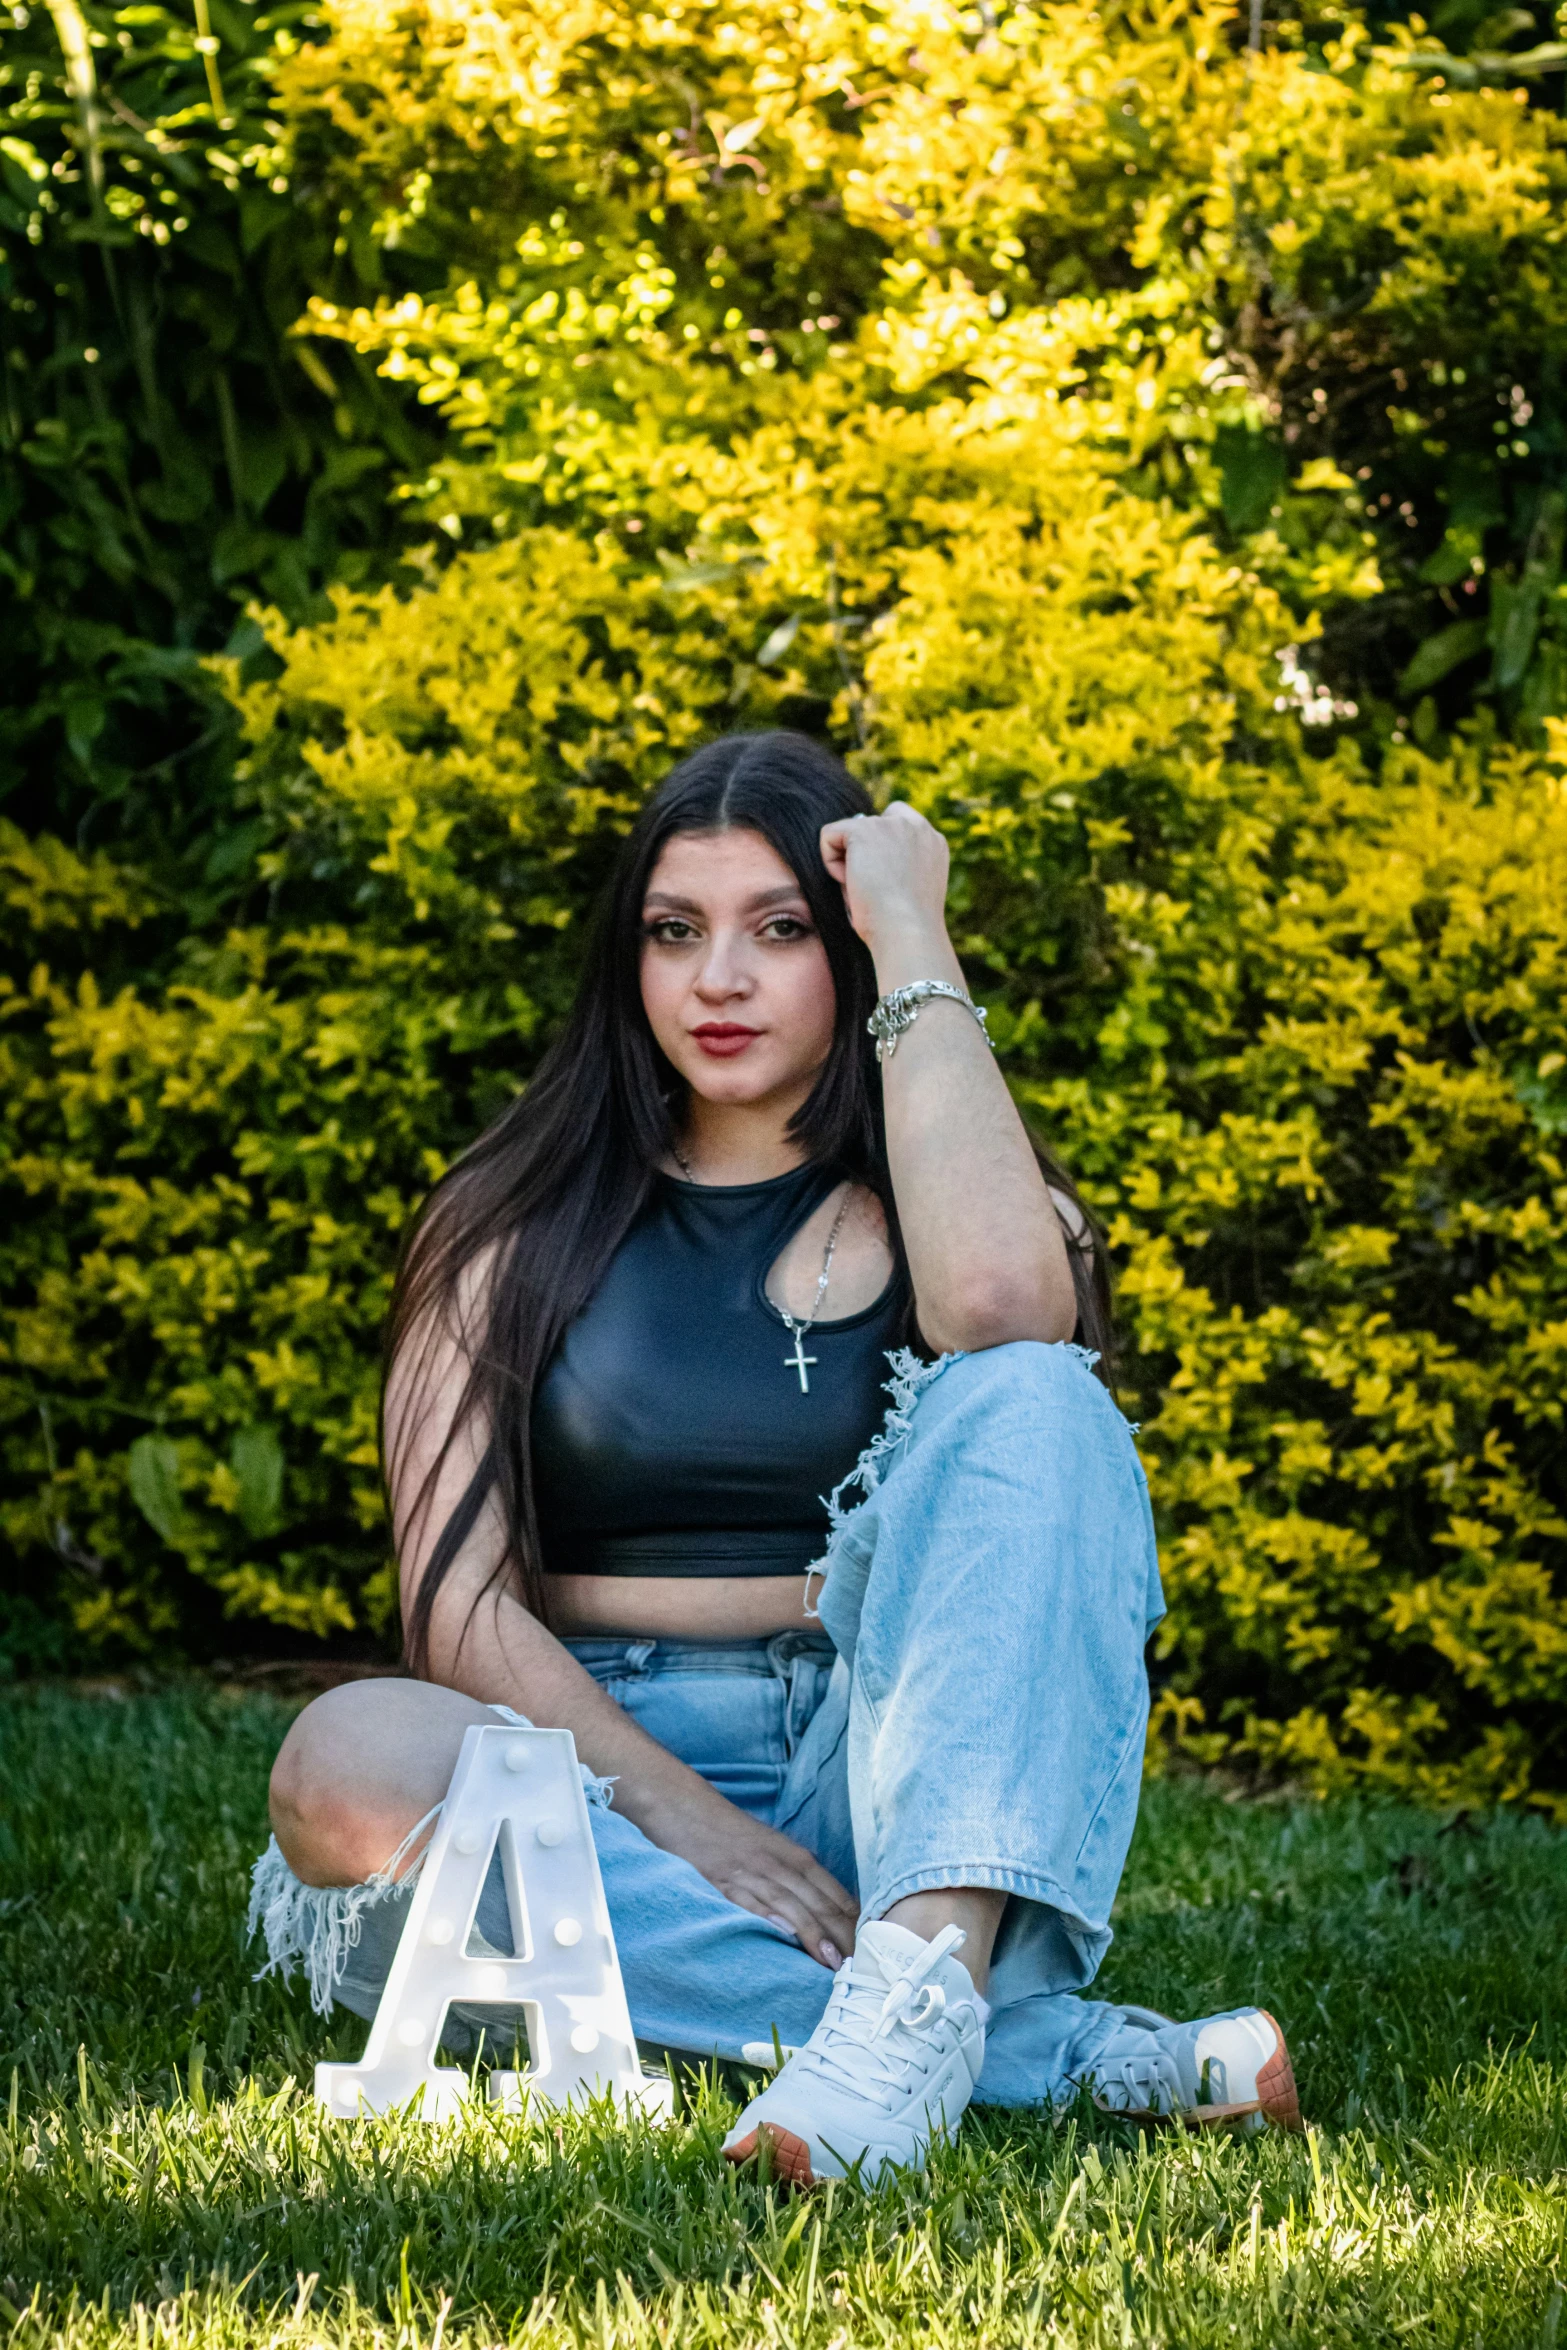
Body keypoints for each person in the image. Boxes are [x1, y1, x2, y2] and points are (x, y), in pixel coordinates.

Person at [249, 730, 1300, 2186]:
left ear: (848, 955)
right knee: (345, 1757)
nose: (716, 979)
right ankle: (1016, 2046)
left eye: (781, 929)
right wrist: (690, 1823)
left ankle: (914, 1972)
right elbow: (455, 1610)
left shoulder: (953, 1198)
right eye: (673, 931)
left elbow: (1005, 1309)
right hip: (589, 1779)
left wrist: (913, 924)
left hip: (893, 1777)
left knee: (1038, 1395)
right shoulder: (502, 1217)